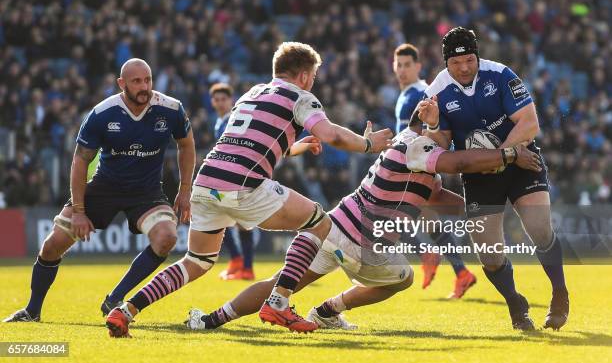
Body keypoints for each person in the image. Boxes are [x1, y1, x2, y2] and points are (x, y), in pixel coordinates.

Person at [105, 41, 394, 336]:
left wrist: (294, 148)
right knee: (319, 222)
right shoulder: (300, 96)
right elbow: (331, 134)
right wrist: (369, 144)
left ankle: (126, 310)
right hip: (242, 185)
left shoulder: (252, 93)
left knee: (196, 261)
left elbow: (251, 143)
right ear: (305, 75)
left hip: (206, 181)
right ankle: (279, 302)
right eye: (314, 76)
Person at [184, 115, 541, 331]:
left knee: (281, 282)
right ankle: (329, 310)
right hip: (363, 241)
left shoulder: (412, 147)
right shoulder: (421, 146)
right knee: (404, 278)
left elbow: (436, 197)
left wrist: (477, 207)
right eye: (446, 129)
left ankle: (212, 319)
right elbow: (459, 163)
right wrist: (504, 157)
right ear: (431, 125)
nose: (450, 135)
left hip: (336, 225)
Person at [4, 58, 195, 322]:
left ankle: (115, 298)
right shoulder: (102, 114)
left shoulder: (171, 108)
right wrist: (80, 211)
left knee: (167, 238)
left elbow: (187, 144)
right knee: (51, 246)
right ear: (121, 84)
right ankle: (32, 311)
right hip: (104, 188)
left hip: (147, 192)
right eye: (136, 81)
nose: (144, 87)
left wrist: (185, 191)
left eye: (148, 80)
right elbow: (79, 161)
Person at [417, 27, 569, 330]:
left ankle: (559, 292)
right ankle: (516, 304)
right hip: (479, 173)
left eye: (470, 60)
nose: (464, 68)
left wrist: (502, 155)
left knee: (539, 229)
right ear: (446, 62)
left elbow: (529, 122)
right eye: (456, 63)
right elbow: (440, 148)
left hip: (521, 158)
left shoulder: (500, 75)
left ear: (478, 56)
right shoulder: (436, 92)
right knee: (489, 255)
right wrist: (433, 124)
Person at [393, 43, 476, 298]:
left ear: (418, 67)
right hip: (419, 166)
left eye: (408, 64)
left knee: (389, 219)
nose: (403, 69)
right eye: (399, 64)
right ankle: (462, 273)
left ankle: (428, 255)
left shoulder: (418, 94)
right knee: (430, 222)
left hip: (416, 167)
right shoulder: (408, 93)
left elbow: (417, 133)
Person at [209, 83, 257, 281]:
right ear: (212, 102)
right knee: (226, 219)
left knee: (236, 222)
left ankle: (244, 265)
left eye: (224, 99)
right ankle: (240, 262)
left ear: (231, 100)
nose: (220, 103)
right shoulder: (220, 122)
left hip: (237, 178)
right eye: (217, 99)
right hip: (229, 178)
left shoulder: (234, 120)